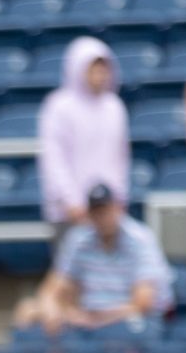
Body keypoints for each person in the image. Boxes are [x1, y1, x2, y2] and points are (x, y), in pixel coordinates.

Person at [12, 184, 174, 332]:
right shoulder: (79, 238)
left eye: (106, 210)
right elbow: (54, 286)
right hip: (87, 317)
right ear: (89, 213)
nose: (102, 217)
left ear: (118, 208)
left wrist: (96, 318)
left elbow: (142, 304)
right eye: (97, 212)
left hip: (130, 320)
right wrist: (52, 307)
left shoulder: (140, 238)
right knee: (27, 309)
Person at [37, 36, 130, 243]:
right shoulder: (59, 106)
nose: (100, 75)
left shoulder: (114, 107)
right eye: (93, 69)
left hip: (107, 210)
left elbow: (121, 158)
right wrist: (72, 201)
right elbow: (54, 158)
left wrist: (118, 199)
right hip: (69, 212)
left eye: (103, 69)